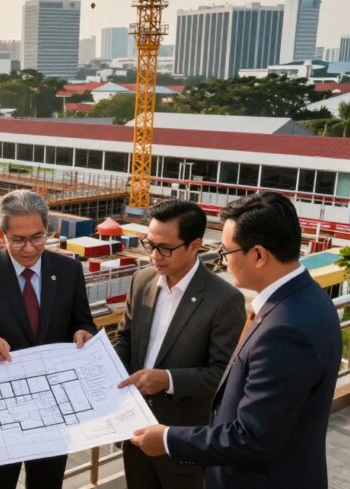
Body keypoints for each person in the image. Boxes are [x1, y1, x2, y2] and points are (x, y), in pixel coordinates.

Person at [131, 192, 342, 489]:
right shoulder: (308, 299)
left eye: (226, 253)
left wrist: (167, 439)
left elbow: (252, 436)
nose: (223, 263)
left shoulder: (285, 330)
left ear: (258, 254)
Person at [0, 189, 96, 489]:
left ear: (48, 230)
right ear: (0, 234)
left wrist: (84, 333)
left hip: (54, 405)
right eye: (18, 239)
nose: (30, 248)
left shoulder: (69, 270)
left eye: (38, 237)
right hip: (0, 408)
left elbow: (83, 322)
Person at [114, 200, 245, 489]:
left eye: (165, 248)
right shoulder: (142, 281)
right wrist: (102, 364)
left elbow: (224, 376)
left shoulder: (224, 300)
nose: (154, 256)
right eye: (149, 244)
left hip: (183, 442)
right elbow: (126, 338)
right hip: (135, 434)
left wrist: (168, 380)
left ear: (195, 245)